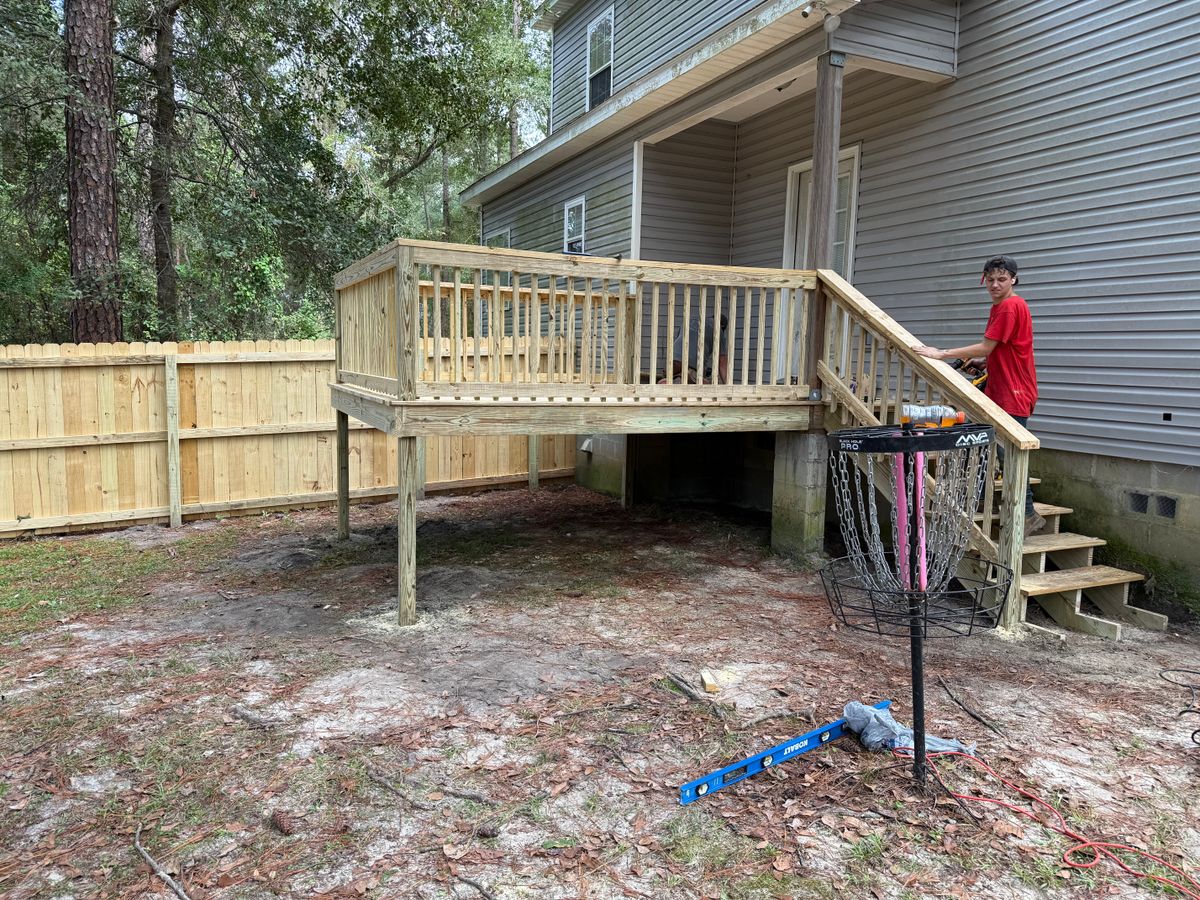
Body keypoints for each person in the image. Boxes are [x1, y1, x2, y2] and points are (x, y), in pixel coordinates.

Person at [914, 255, 1043, 536]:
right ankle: (981, 500)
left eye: (1002, 279)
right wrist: (986, 364)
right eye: (991, 279)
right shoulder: (1002, 306)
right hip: (1002, 387)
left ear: (1014, 280)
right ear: (984, 280)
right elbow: (1002, 350)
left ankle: (1028, 515)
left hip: (1013, 391)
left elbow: (986, 346)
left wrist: (942, 353)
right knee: (986, 445)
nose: (995, 285)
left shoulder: (1010, 306)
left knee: (1010, 457)